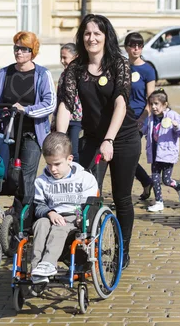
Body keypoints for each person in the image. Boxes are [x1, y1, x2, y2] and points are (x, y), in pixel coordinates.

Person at [57, 14, 141, 269]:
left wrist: (110, 139)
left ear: (106, 37)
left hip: (124, 137)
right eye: (87, 34)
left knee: (122, 197)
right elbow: (65, 105)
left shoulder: (119, 64)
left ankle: (122, 249)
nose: (91, 38)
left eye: (97, 33)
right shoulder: (76, 69)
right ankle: (83, 246)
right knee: (86, 194)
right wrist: (59, 143)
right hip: (93, 138)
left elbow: (121, 102)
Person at [0, 31, 56, 218]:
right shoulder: (5, 73)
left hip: (32, 133)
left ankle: (23, 219)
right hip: (7, 132)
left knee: (26, 176)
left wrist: (26, 110)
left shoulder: (42, 74)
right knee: (9, 174)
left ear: (32, 52)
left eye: (24, 49)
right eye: (16, 48)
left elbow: (50, 103)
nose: (19, 52)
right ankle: (13, 214)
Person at [30, 132, 98, 284]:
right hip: (51, 215)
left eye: (57, 164)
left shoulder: (84, 178)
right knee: (40, 224)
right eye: (49, 164)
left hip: (75, 216)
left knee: (59, 228)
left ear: (69, 159)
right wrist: (50, 212)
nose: (53, 169)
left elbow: (87, 204)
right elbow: (39, 205)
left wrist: (81, 218)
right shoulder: (42, 181)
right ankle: (36, 268)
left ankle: (48, 263)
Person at [140, 89, 180, 212]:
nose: (154, 107)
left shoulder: (172, 116)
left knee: (166, 180)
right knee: (155, 179)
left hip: (167, 154)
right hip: (154, 153)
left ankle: (178, 186)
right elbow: (145, 129)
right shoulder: (151, 118)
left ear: (165, 104)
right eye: (151, 104)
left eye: (156, 104)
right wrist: (138, 130)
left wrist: (177, 126)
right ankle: (159, 202)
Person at [124, 32, 156, 200]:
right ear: (126, 47)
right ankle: (145, 181)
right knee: (121, 155)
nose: (136, 49)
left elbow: (151, 99)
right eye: (133, 45)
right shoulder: (121, 67)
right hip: (121, 117)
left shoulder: (147, 70)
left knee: (130, 154)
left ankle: (125, 195)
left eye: (139, 45)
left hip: (138, 118)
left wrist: (143, 118)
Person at [57, 43, 82, 161]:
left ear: (75, 57)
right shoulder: (63, 75)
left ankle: (77, 175)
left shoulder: (82, 74)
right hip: (62, 118)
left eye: (65, 57)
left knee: (73, 151)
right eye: (61, 57)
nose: (62, 61)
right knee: (62, 150)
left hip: (76, 119)